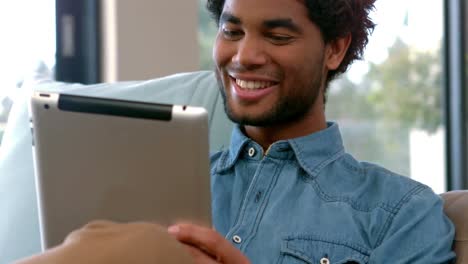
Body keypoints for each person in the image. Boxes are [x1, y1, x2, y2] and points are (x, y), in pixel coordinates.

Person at [16, 0, 456, 263]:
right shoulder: (155, 190)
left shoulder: (399, 211)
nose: (244, 56)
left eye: (277, 36)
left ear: (335, 49)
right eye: (232, 30)